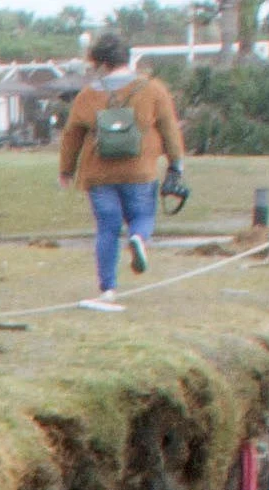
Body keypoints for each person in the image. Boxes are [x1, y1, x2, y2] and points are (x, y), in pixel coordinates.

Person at [56, 31, 184, 312]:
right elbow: (169, 129)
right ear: (127, 57)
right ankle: (138, 239)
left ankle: (108, 289)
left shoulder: (88, 95)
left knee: (107, 228)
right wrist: (176, 163)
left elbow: (72, 135)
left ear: (100, 62)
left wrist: (66, 170)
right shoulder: (153, 89)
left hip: (98, 174)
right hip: (140, 170)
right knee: (142, 216)